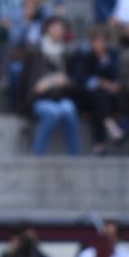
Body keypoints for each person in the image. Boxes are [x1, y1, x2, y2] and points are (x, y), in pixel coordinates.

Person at [22, 13, 79, 155]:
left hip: (60, 97)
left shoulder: (68, 53)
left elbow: (73, 82)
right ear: (48, 28)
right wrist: (52, 81)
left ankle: (74, 156)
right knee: (52, 113)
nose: (58, 31)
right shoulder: (35, 51)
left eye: (61, 29)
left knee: (69, 110)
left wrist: (59, 82)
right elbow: (33, 84)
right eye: (55, 28)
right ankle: (37, 154)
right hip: (39, 99)